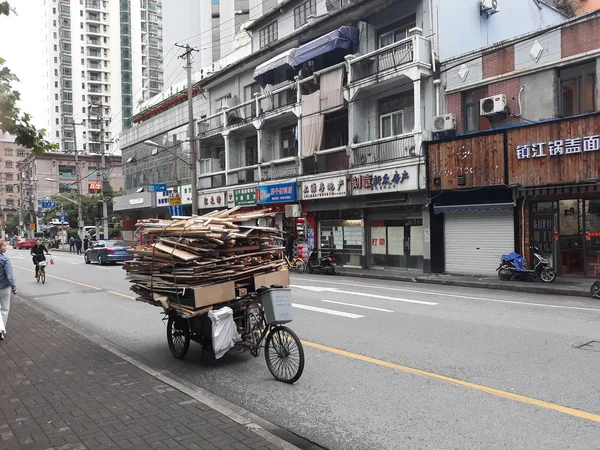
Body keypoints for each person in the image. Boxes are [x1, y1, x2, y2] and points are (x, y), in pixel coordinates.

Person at [0, 239, 17, 340]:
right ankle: (1, 330)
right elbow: (10, 275)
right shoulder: (4, 260)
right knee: (4, 308)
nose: (6, 247)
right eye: (4, 246)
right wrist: (14, 287)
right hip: (4, 287)